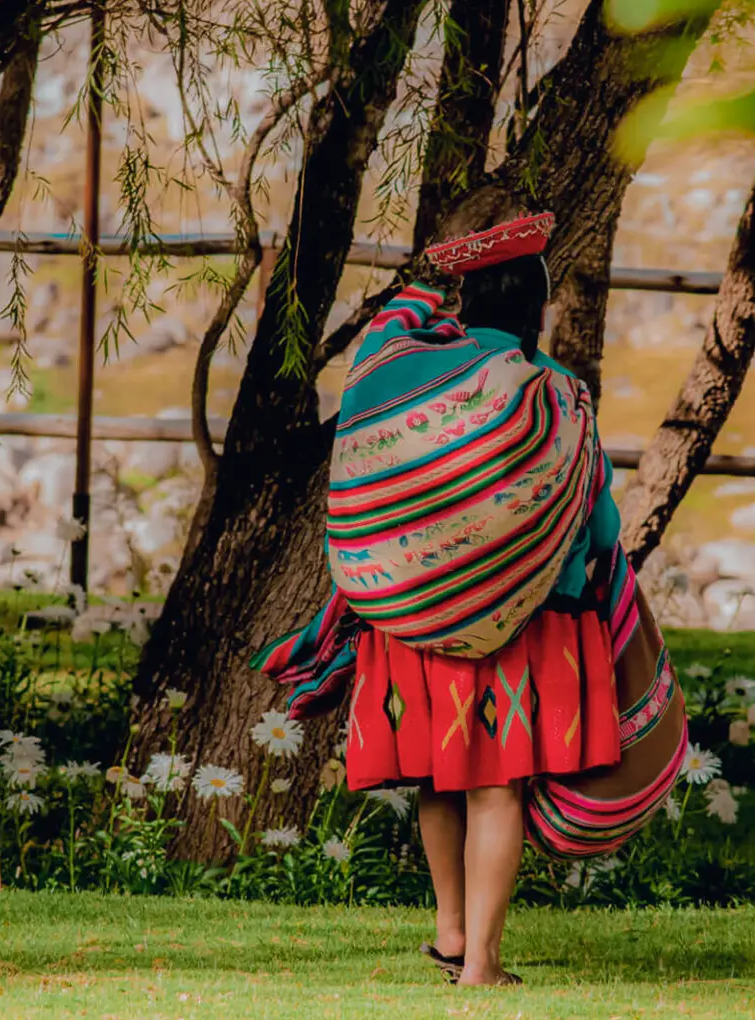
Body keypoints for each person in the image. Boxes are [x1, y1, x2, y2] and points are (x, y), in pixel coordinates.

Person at [254, 210, 685, 987]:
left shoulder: (401, 384)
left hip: (412, 622)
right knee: (498, 787)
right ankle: (481, 964)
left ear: (466, 306)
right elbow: (597, 517)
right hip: (529, 627)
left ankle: (452, 934)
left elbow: (363, 486)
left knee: (439, 775)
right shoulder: (554, 394)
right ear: (537, 308)